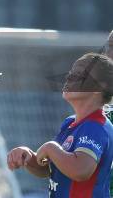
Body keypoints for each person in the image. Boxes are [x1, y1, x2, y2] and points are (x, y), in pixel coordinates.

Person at [7, 47, 113, 198]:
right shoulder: (70, 123)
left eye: (79, 75)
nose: (69, 78)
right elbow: (52, 167)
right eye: (70, 73)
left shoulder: (95, 127)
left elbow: (80, 170)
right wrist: (29, 157)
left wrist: (51, 148)